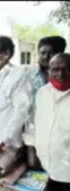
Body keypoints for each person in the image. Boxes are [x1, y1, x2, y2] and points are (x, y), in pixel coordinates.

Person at [23, 36, 66, 169]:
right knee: (34, 165)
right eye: (42, 53)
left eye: (51, 52)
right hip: (34, 129)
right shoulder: (28, 74)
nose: (46, 57)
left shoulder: (66, 75)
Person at [34, 53, 70, 191]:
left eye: (66, 69)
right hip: (48, 169)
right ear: (48, 71)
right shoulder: (42, 94)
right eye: (55, 69)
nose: (60, 74)